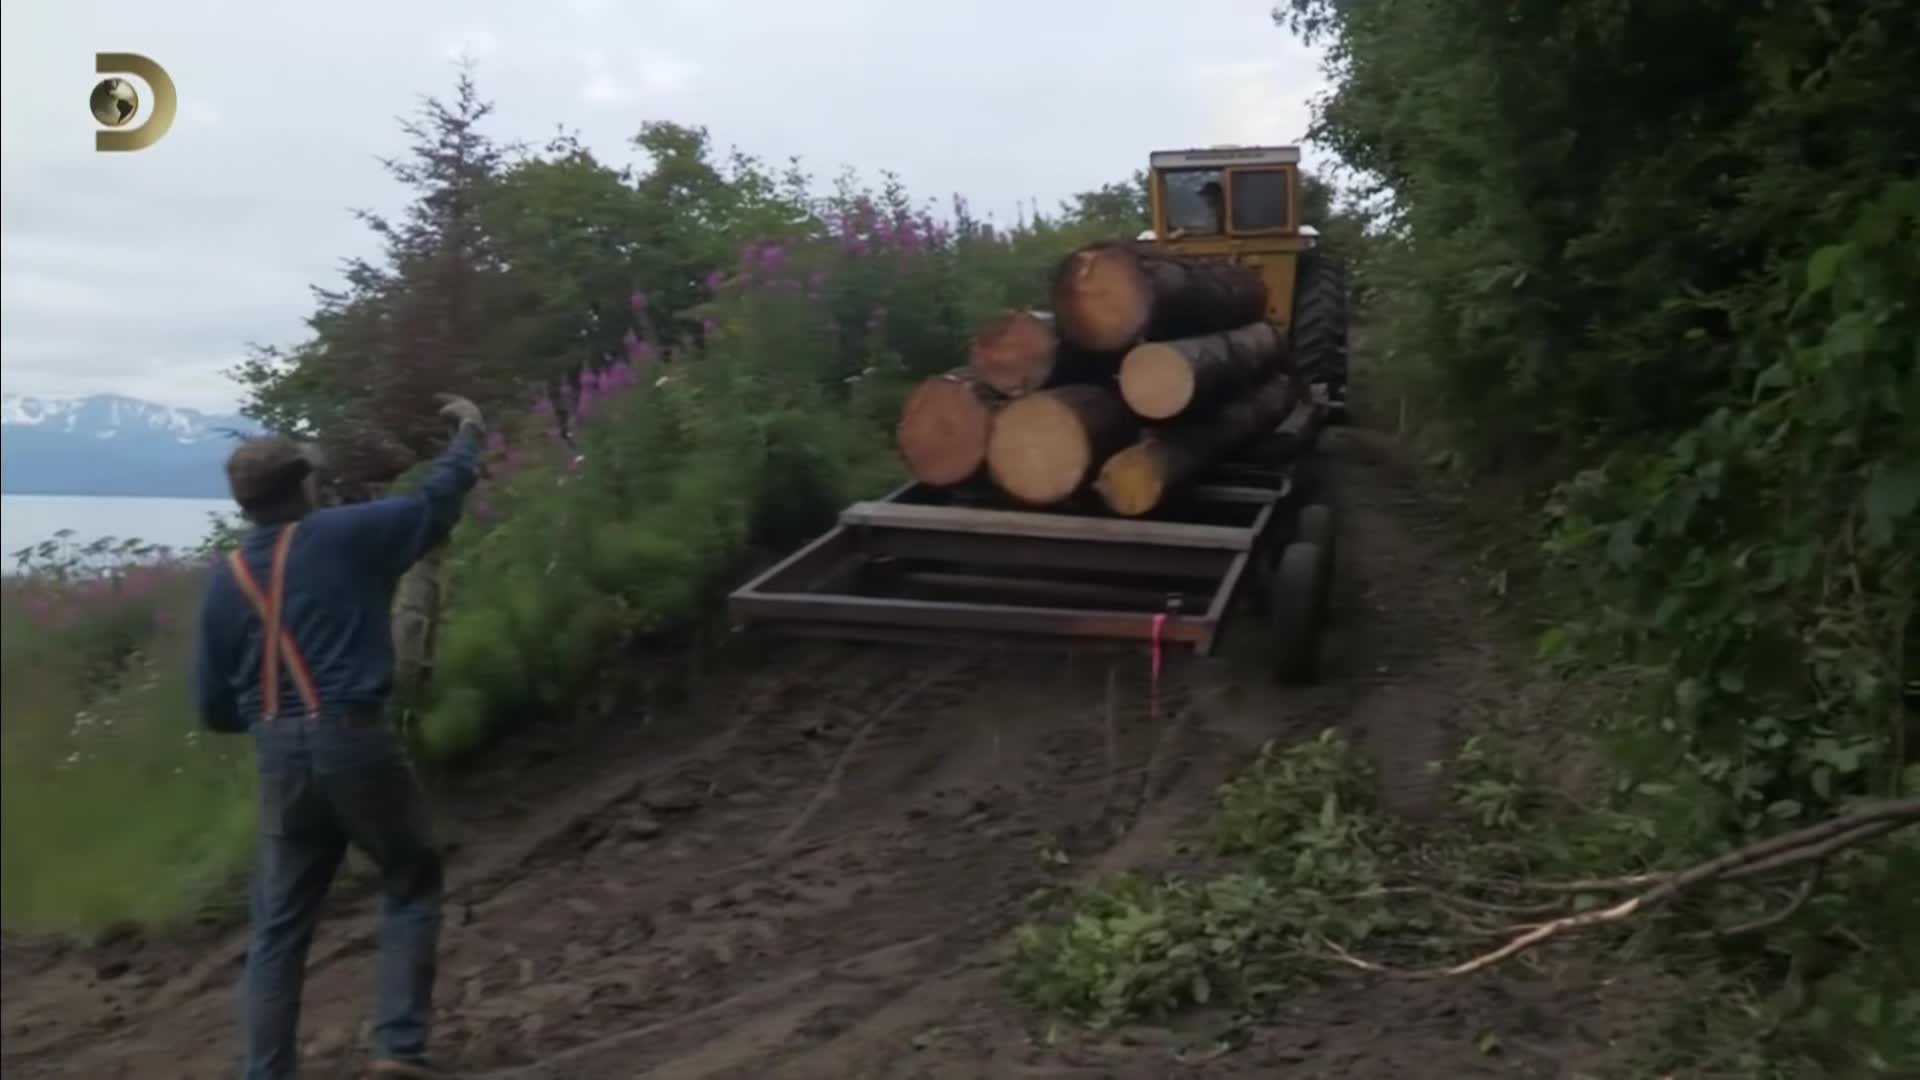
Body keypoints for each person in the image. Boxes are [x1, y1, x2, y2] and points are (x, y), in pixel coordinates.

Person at [194, 393, 486, 1080]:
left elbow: (212, 709)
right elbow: (434, 504)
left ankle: (266, 1072)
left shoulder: (225, 582)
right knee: (410, 875)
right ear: (303, 486)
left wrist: (274, 718)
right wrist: (468, 436)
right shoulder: (344, 536)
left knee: (280, 924)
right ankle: (396, 1048)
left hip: (278, 753)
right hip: (354, 738)